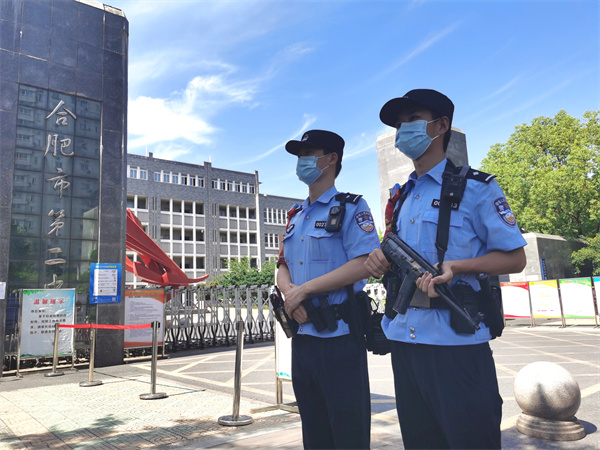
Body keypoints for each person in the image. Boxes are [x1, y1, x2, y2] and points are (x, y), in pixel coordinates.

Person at [365, 89, 527, 449]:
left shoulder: (476, 188)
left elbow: (516, 258)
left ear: (441, 126)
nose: (403, 130)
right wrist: (379, 260)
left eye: (412, 119)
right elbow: (395, 256)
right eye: (399, 124)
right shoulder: (401, 196)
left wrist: (458, 266)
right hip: (405, 340)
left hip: (456, 343)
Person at [277, 129, 380, 449]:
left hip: (339, 337)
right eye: (299, 156)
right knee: (314, 430)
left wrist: (304, 290)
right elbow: (282, 265)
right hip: (302, 337)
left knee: (348, 431)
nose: (301, 162)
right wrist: (291, 295)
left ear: (331, 159)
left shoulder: (351, 207)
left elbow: (365, 263)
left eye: (309, 154)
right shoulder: (295, 215)